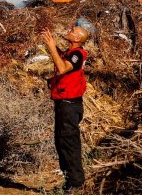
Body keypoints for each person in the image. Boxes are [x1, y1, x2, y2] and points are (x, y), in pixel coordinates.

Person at [41, 17, 95, 192]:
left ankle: (76, 183)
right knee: (61, 142)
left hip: (70, 106)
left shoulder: (78, 54)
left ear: (78, 38)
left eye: (74, 30)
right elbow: (62, 66)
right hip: (63, 104)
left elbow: (63, 68)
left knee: (69, 144)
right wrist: (53, 45)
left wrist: (51, 47)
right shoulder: (69, 53)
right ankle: (69, 181)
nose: (70, 30)